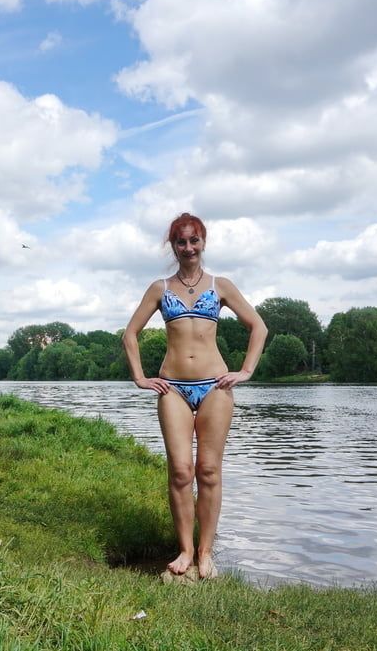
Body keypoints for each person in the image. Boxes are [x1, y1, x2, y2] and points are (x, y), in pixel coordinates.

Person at [123, 212, 267, 579]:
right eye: (181, 242)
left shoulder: (221, 286)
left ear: (204, 242)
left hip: (215, 385)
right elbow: (130, 334)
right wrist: (140, 377)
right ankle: (185, 550)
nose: (188, 248)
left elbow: (258, 327)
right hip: (172, 387)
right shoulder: (160, 288)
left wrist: (246, 371)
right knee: (181, 471)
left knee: (209, 470)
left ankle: (206, 552)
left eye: (194, 241)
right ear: (173, 246)